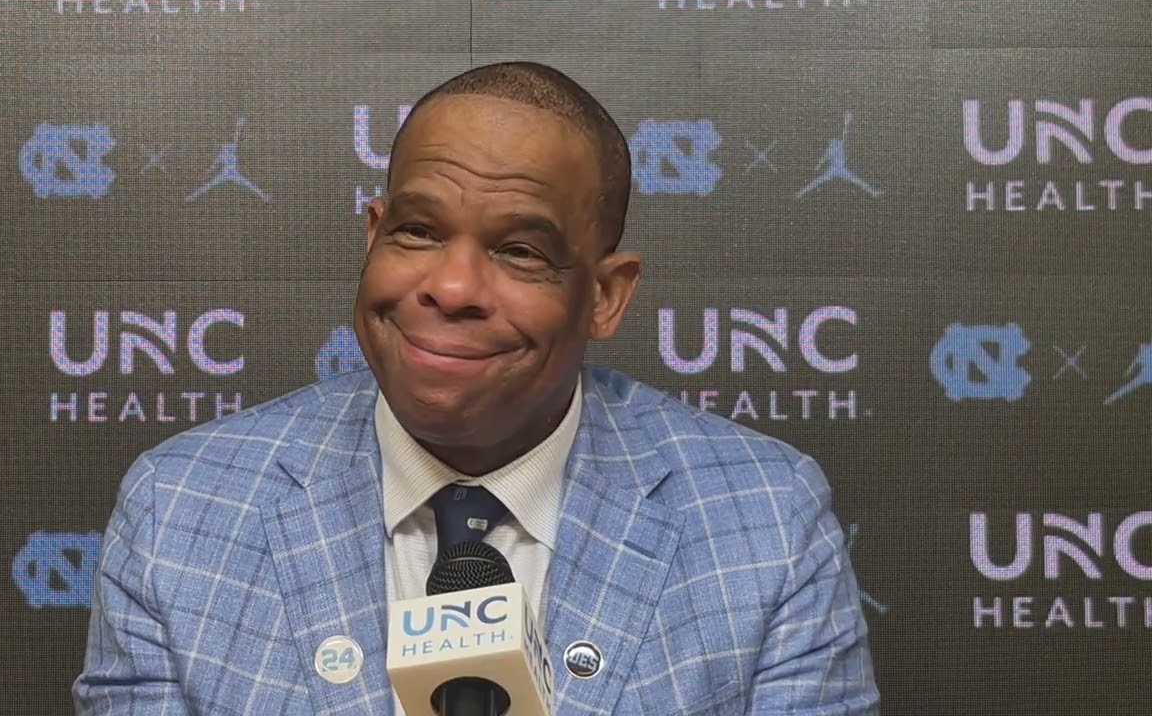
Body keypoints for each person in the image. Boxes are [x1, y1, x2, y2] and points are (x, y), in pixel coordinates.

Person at [75, 61, 879, 715]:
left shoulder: (765, 521)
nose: (452, 287)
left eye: (521, 250)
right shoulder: (181, 509)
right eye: (418, 231)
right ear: (373, 236)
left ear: (605, 296)